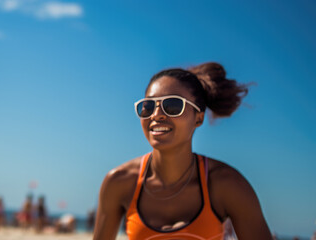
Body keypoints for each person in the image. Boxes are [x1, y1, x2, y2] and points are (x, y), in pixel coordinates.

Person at [93, 63, 272, 239]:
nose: (156, 115)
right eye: (148, 106)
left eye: (172, 106)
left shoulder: (227, 185)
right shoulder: (119, 182)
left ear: (198, 118)